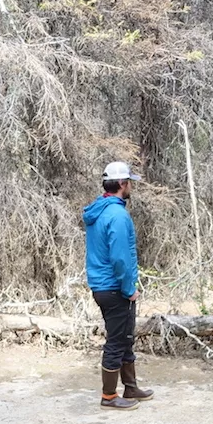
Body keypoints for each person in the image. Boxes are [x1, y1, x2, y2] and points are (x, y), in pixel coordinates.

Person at [83, 161, 153, 410]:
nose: (131, 186)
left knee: (124, 337)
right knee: (117, 340)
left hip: (103, 286)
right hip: (114, 287)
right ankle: (109, 396)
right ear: (122, 184)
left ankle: (131, 387)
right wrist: (128, 289)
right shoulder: (118, 215)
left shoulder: (100, 211)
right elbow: (121, 258)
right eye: (130, 182)